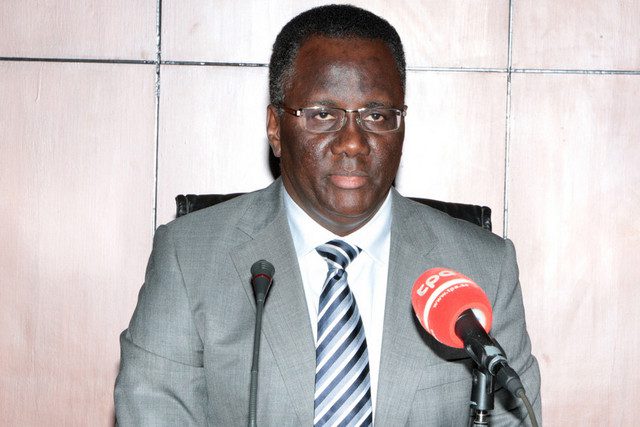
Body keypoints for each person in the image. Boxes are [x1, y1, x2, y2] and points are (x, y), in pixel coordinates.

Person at [115, 4, 541, 426]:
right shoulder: (189, 259)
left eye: (377, 115)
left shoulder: (483, 269)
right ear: (275, 128)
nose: (353, 142)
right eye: (322, 114)